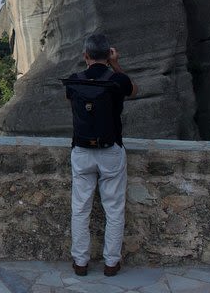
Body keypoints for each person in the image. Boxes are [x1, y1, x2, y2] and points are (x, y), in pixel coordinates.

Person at [65, 34, 137, 277]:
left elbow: (73, 107)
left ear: (85, 55)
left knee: (80, 209)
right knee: (114, 209)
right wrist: (115, 65)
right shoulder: (116, 80)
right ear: (108, 54)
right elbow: (134, 90)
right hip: (110, 152)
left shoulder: (74, 80)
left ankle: (81, 262)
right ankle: (111, 263)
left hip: (83, 152)